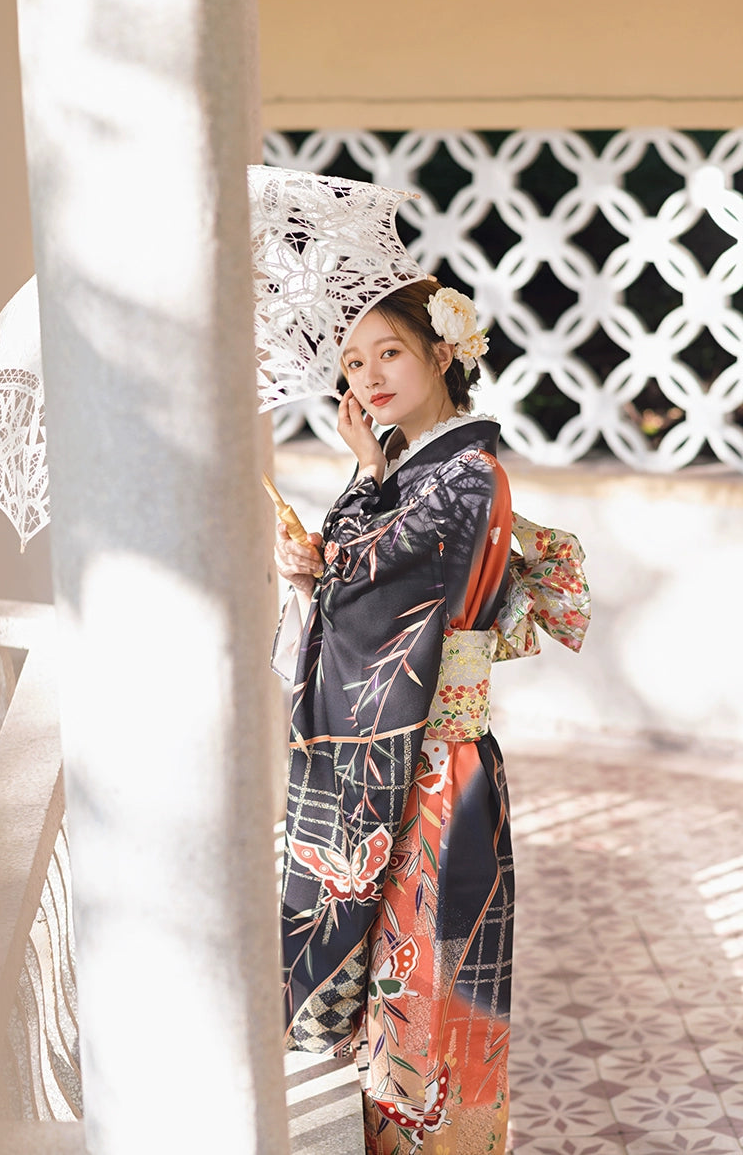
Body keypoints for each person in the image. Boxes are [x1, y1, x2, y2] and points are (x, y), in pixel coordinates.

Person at [273, 277, 589, 1155]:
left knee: (435, 996)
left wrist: (345, 532)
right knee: (396, 997)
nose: (366, 376)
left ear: (442, 355)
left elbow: (382, 596)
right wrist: (315, 569)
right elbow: (356, 583)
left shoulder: (468, 476)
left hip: (440, 769)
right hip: (405, 763)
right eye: (351, 362)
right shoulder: (416, 472)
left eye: (389, 352)